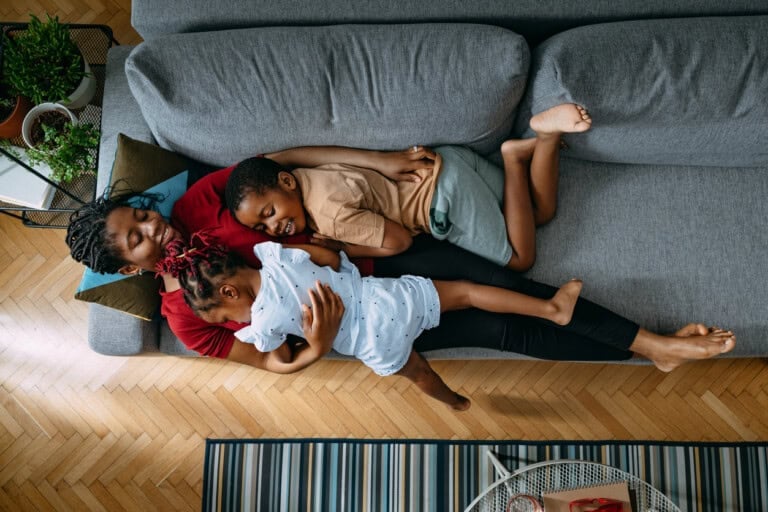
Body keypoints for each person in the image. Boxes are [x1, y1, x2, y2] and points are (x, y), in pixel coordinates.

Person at [66, 149, 735, 374]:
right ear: (128, 270)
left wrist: (380, 163)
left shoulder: (208, 202)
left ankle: (653, 343)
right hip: (369, 322)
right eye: (134, 239)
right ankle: (647, 352)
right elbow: (271, 363)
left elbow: (282, 164)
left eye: (141, 215)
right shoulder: (185, 317)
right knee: (509, 336)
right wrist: (318, 344)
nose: (151, 227)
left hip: (384, 263)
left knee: (507, 285)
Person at [159, 234, 592, 410]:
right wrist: (333, 268)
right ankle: (551, 309)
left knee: (419, 373)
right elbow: (327, 256)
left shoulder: (262, 321)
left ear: (231, 295)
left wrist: (312, 341)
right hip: (382, 295)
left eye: (225, 318)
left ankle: (455, 402)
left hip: (372, 340)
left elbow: (279, 353)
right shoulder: (274, 256)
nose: (234, 324)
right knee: (465, 291)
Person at [225, 103, 592, 271]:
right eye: (262, 228)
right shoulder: (307, 171)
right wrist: (380, 159)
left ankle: (513, 157)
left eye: (269, 213)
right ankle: (545, 136)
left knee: (520, 260)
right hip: (447, 162)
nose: (274, 229)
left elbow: (401, 241)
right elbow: (282, 158)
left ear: (284, 183)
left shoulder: (329, 217)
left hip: (444, 202)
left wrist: (342, 248)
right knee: (537, 211)